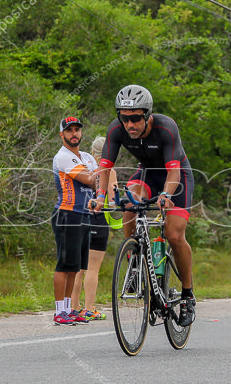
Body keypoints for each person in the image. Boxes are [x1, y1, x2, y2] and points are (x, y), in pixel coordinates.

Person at [99, 85, 196, 326]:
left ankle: (187, 295)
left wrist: (166, 194)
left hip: (177, 178)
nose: (129, 124)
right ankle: (134, 259)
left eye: (135, 118)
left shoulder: (166, 127)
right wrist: (100, 196)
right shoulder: (116, 129)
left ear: (148, 114)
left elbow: (174, 170)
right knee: (130, 201)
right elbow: (105, 166)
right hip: (147, 175)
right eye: (124, 118)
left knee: (174, 236)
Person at [51, 115, 97, 326]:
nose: (74, 134)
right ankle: (59, 310)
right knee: (64, 265)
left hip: (85, 214)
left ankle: (69, 309)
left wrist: (100, 176)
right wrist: (100, 174)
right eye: (69, 130)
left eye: (77, 130)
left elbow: (99, 182)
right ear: (62, 135)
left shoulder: (87, 156)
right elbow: (91, 179)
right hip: (67, 213)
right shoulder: (63, 156)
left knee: (76, 267)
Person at [71, 136, 109, 321]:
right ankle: (89, 308)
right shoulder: (107, 171)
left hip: (80, 218)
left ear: (93, 152)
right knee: (93, 268)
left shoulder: (83, 168)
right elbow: (113, 198)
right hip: (98, 219)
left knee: (79, 267)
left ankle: (74, 307)